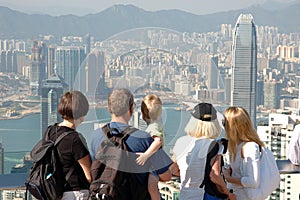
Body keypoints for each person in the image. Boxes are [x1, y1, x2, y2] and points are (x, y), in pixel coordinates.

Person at [90, 88, 173, 199]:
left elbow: (93, 171)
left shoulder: (96, 136)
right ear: (131, 108)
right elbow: (166, 175)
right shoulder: (143, 138)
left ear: (109, 108)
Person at [172, 103, 235, 200]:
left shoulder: (181, 142)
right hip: (204, 195)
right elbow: (214, 175)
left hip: (185, 195)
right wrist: (227, 192)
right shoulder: (215, 145)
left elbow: (174, 170)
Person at [47, 91, 92, 200]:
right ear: (81, 114)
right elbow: (89, 175)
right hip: (75, 193)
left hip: (53, 191)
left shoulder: (50, 131)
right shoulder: (76, 140)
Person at [222, 106, 265, 200]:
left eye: (225, 122)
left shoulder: (250, 147)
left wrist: (228, 178)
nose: (223, 126)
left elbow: (253, 181)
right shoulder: (234, 146)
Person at [136, 94, 165, 200]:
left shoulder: (153, 127)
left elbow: (158, 141)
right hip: (155, 161)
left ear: (143, 114)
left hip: (154, 162)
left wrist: (145, 155)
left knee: (152, 187)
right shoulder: (156, 125)